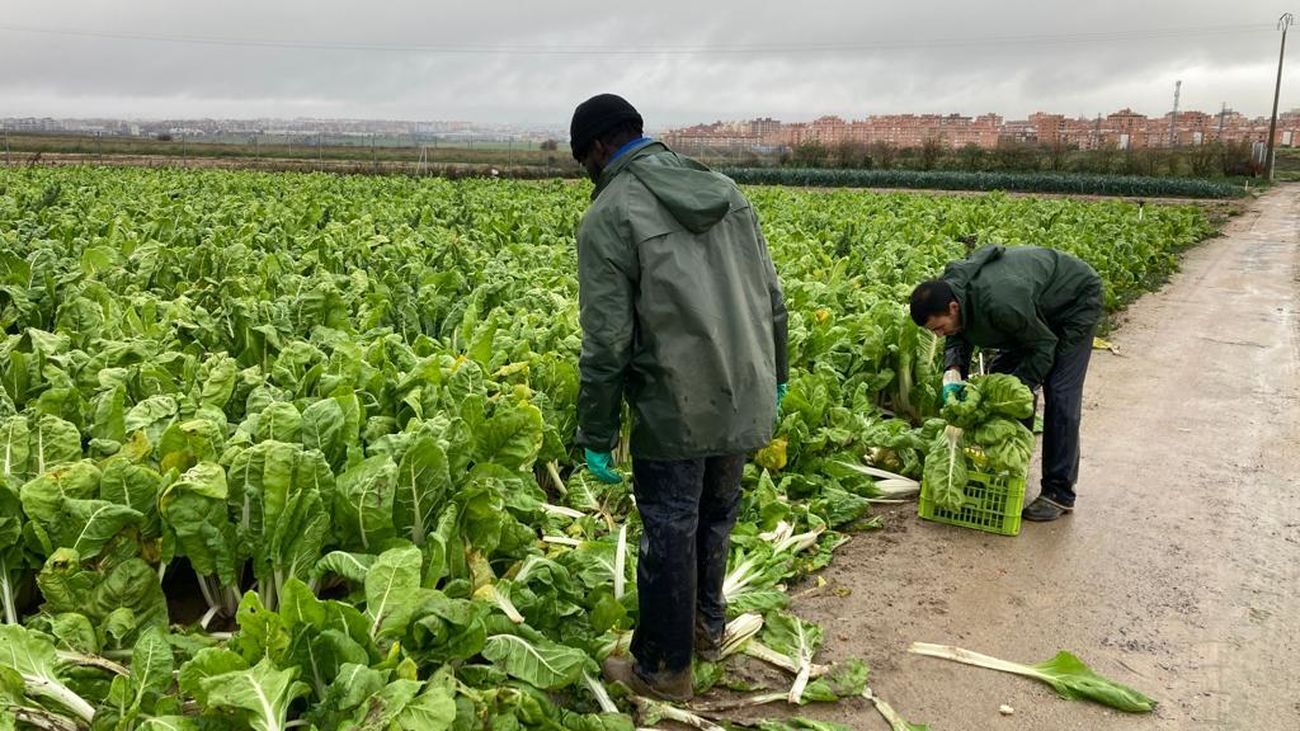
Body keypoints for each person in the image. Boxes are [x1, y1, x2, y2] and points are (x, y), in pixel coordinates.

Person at [568, 93, 788, 701]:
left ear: (598, 148)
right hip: (744, 389)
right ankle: (705, 631)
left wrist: (596, 431)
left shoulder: (610, 214)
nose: (587, 173)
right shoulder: (726, 190)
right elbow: (772, 298)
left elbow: (607, 340)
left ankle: (663, 669)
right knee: (716, 517)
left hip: (675, 403)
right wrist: (777, 372)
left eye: (584, 161)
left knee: (668, 527)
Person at [909, 245, 1103, 522]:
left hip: (1074, 300)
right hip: (1032, 308)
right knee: (1001, 373)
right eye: (933, 332)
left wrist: (1016, 389)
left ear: (953, 307)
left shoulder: (1001, 303)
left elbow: (1043, 346)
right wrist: (953, 370)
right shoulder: (953, 292)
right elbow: (957, 333)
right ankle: (1012, 468)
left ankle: (1058, 493)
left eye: (939, 328)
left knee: (1060, 392)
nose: (939, 336)